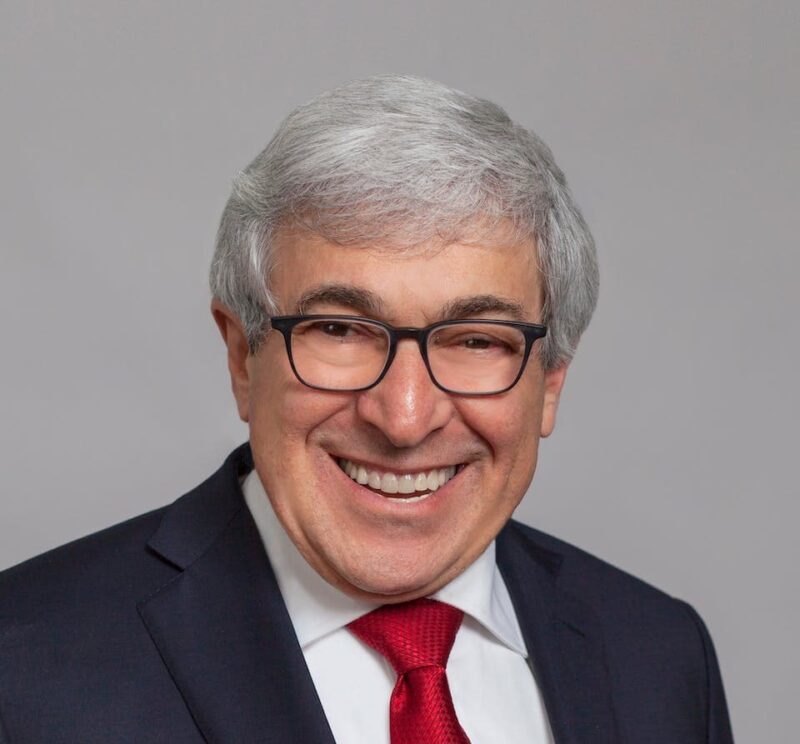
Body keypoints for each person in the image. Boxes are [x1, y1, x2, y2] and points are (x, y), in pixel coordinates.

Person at [0, 75, 733, 743]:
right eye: (340, 330)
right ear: (241, 357)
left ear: (549, 383)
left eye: (476, 339)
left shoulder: (661, 658)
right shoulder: (26, 668)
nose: (404, 417)